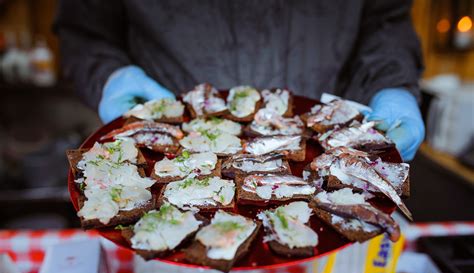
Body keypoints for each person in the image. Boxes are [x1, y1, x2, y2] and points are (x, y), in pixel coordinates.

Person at [55, 0, 425, 161]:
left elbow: (385, 22)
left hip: (321, 154)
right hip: (168, 154)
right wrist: (109, 75)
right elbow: (86, 29)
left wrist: (391, 85)